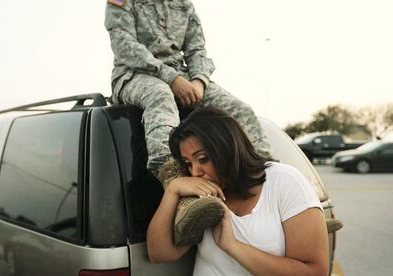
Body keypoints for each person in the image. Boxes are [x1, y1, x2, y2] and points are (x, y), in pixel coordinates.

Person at [104, 0, 271, 245]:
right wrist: (171, 78)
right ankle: (182, 199)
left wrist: (199, 82)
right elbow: (124, 46)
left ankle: (276, 202)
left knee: (241, 110)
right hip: (135, 75)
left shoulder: (183, 4)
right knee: (161, 97)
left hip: (185, 77)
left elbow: (197, 50)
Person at [147, 107, 329, 276]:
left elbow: (314, 272)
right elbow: (159, 254)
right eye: (188, 163)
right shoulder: (201, 197)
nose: (195, 172)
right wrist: (172, 190)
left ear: (228, 148)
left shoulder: (284, 182)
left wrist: (232, 246)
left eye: (202, 159)